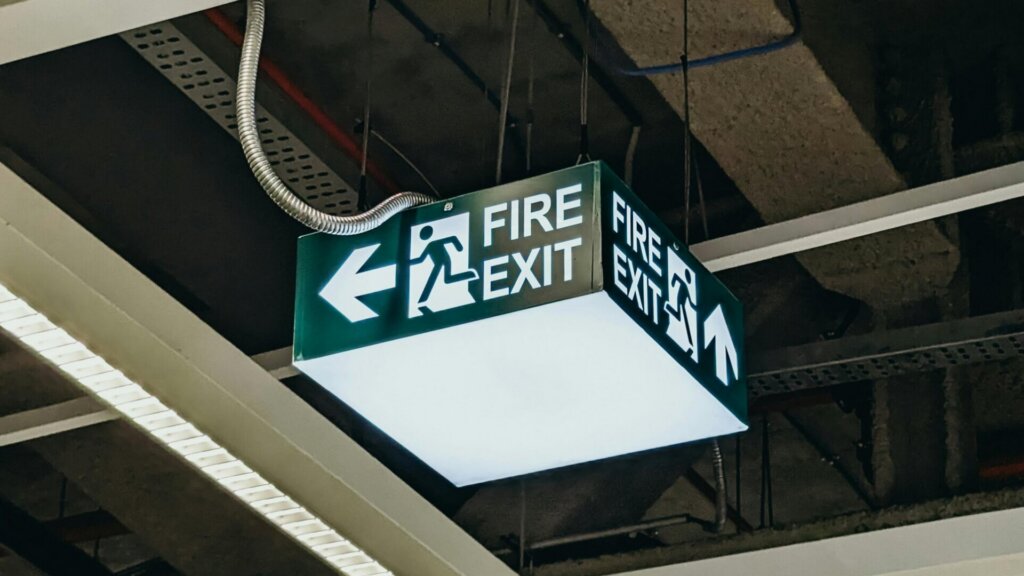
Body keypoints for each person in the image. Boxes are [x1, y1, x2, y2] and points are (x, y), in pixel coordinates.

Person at [410, 225, 478, 312]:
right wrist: (408, 262)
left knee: (434, 279)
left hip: (444, 261)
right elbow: (421, 259)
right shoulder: (430, 245)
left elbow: (452, 238)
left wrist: (459, 247)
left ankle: (422, 300)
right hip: (439, 263)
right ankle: (470, 274)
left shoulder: (434, 243)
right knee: (448, 279)